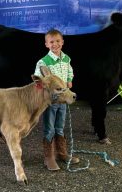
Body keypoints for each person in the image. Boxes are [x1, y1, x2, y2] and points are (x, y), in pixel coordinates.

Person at [34, 29, 80, 171]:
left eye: (58, 41)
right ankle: (49, 157)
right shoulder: (43, 62)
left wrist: (69, 80)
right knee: (50, 128)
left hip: (63, 99)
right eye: (52, 42)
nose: (55, 44)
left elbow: (70, 71)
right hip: (52, 100)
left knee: (60, 126)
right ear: (47, 44)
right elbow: (39, 80)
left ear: (63, 42)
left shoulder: (66, 58)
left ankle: (62, 153)